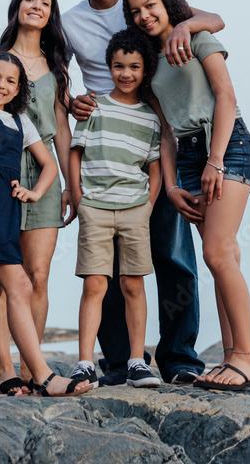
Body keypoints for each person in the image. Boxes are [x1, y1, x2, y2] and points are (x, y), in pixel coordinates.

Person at [62, 0, 224, 385]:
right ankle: (121, 361)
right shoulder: (70, 22)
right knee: (109, 269)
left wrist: (183, 28)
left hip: (160, 132)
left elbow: (214, 19)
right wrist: (73, 100)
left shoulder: (139, 2)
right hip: (105, 142)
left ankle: (179, 359)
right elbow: (54, 73)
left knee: (173, 256)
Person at [124, 0, 250, 391]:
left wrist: (215, 161)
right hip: (185, 157)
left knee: (218, 254)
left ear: (166, 2)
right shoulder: (152, 61)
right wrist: (169, 186)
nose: (144, 15)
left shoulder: (196, 37)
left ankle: (246, 360)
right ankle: (232, 356)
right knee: (222, 257)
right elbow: (165, 131)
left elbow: (226, 97)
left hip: (225, 144)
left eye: (150, 5)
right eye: (134, 12)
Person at [0, 51, 91, 398]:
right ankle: (43, 375)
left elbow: (49, 164)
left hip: (5, 210)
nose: (1, 85)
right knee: (20, 287)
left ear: (20, 88)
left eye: (11, 81)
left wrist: (35, 192)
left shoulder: (20, 120)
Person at [0, 0, 75, 394]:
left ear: (51, 14)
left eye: (46, 2)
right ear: (17, 5)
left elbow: (62, 129)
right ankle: (6, 372)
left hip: (45, 171)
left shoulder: (57, 67)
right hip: (1, 167)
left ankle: (34, 370)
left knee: (38, 275)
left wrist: (70, 185)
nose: (37, 6)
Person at [69, 29, 162, 388]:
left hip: (134, 208)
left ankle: (138, 362)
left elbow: (153, 165)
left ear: (144, 70)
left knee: (133, 285)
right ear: (109, 67)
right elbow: (75, 152)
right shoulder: (94, 107)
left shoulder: (150, 118)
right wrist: (79, 198)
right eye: (119, 66)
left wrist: (148, 206)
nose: (126, 73)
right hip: (95, 207)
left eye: (134, 67)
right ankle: (84, 363)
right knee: (94, 285)